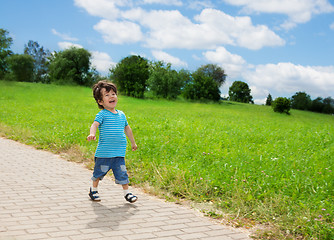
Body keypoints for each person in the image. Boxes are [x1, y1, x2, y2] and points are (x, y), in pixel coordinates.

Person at [87, 80, 138, 203]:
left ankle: (127, 193)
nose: (112, 96)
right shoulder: (102, 114)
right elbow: (94, 125)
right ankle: (93, 190)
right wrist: (92, 133)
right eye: (107, 95)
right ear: (100, 101)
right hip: (104, 153)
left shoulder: (121, 115)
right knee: (99, 173)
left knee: (122, 174)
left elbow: (127, 128)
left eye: (113, 94)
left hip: (119, 153)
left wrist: (133, 142)